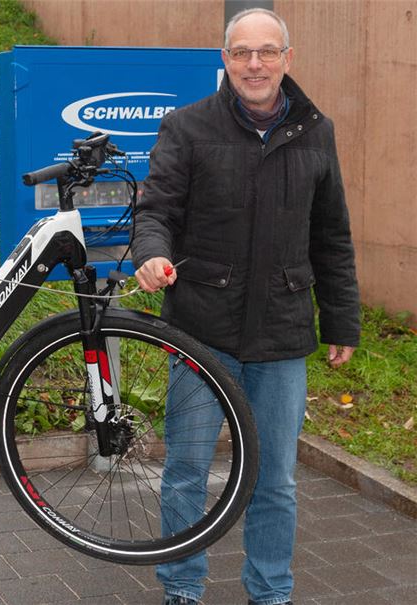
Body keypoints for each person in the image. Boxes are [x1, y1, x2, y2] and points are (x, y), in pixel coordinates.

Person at [131, 8, 360, 605]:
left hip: (281, 335)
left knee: (275, 479)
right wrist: (152, 255)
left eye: (266, 52)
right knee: (187, 473)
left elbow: (331, 235)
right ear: (225, 60)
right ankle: (182, 588)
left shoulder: (317, 131)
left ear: (287, 58)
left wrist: (341, 319)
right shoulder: (187, 127)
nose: (254, 64)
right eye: (241, 53)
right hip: (201, 332)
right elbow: (155, 211)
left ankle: (271, 592)